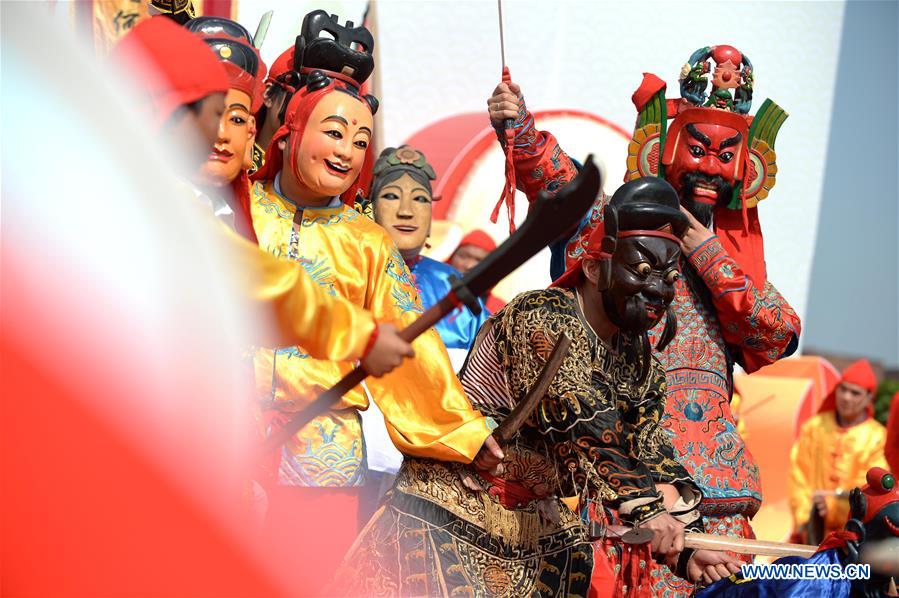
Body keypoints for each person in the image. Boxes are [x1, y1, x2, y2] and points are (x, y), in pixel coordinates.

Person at [329, 177, 742, 597]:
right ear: (596, 267)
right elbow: (581, 413)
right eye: (641, 270)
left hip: (534, 529)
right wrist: (648, 509)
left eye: (668, 277)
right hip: (450, 511)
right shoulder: (542, 316)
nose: (658, 289)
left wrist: (690, 543)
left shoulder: (639, 361)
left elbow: (651, 452)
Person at [486, 50, 801, 593]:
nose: (708, 169)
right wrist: (519, 125)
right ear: (665, 147)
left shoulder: (730, 262)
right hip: (625, 488)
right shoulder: (622, 232)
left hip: (715, 499)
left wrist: (707, 253)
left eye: (725, 155)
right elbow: (561, 185)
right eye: (697, 150)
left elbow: (780, 334)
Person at [248, 70, 503, 588]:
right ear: (292, 128)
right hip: (222, 436)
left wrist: (464, 433)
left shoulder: (369, 244)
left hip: (323, 454)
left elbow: (412, 349)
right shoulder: (239, 211)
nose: (347, 150)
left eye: (361, 141)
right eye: (334, 132)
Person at [111, 16, 411, 373]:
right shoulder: (159, 198)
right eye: (206, 114)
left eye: (236, 118)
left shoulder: (366, 241)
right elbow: (257, 282)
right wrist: (360, 334)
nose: (220, 133)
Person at [789, 359, 888, 543]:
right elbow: (798, 475)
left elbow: (870, 491)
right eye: (843, 389)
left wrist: (832, 508)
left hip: (853, 537)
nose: (846, 397)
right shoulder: (814, 426)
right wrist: (808, 514)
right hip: (809, 533)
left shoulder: (878, 438)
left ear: (868, 398)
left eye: (855, 393)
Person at [447, 229, 506, 313]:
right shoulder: (427, 286)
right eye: (463, 256)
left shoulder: (499, 311)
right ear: (452, 256)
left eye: (479, 261)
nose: (469, 266)